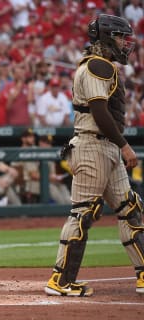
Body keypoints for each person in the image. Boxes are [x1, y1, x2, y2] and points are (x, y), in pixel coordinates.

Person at [45, 14, 144, 297]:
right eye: (121, 38)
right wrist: (124, 145)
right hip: (93, 145)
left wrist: (118, 146)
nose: (126, 44)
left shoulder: (105, 66)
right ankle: (60, 280)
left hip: (104, 148)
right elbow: (99, 111)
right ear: (107, 37)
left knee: (130, 208)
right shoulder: (96, 66)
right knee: (83, 213)